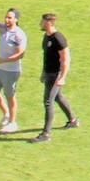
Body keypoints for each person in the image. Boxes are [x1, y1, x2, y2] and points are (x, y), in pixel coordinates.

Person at [31, 12, 78, 142]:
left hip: (56, 74)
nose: (39, 23)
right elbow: (46, 57)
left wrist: (62, 77)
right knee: (58, 97)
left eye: (41, 21)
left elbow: (65, 59)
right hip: (49, 73)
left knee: (48, 101)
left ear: (48, 23)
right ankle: (73, 120)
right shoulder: (46, 37)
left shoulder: (58, 38)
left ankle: (45, 134)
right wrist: (43, 73)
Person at [0, 7, 27, 133]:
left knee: (10, 97)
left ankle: (12, 122)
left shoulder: (18, 34)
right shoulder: (3, 29)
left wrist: (4, 60)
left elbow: (20, 54)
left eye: (9, 17)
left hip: (11, 71)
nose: (6, 19)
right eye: (6, 17)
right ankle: (6, 114)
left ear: (16, 19)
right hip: (0, 69)